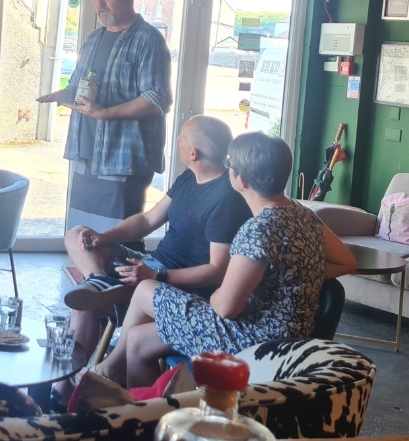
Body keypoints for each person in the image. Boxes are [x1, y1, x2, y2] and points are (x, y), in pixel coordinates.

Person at [111, 133, 358, 387]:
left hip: (253, 341)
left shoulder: (257, 229)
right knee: (139, 341)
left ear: (240, 179)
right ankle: (143, 408)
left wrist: (215, 295)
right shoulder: (304, 215)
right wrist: (295, 274)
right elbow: (347, 262)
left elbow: (225, 308)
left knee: (145, 289)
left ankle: (109, 372)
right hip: (292, 337)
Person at [54, 116, 251, 399]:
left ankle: (66, 389)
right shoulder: (188, 178)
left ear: (193, 153)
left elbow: (218, 270)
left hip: (175, 284)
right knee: (77, 234)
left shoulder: (225, 199)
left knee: (83, 306)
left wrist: (155, 276)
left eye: (181, 138)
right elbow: (147, 220)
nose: (178, 142)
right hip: (152, 265)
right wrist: (103, 238)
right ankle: (98, 281)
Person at [37, 0, 172, 237]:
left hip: (123, 158)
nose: (99, 3)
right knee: (82, 233)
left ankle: (125, 280)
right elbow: (79, 83)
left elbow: (157, 99)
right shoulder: (92, 39)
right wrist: (64, 94)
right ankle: (94, 278)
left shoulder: (148, 40)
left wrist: (106, 113)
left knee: (118, 238)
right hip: (85, 152)